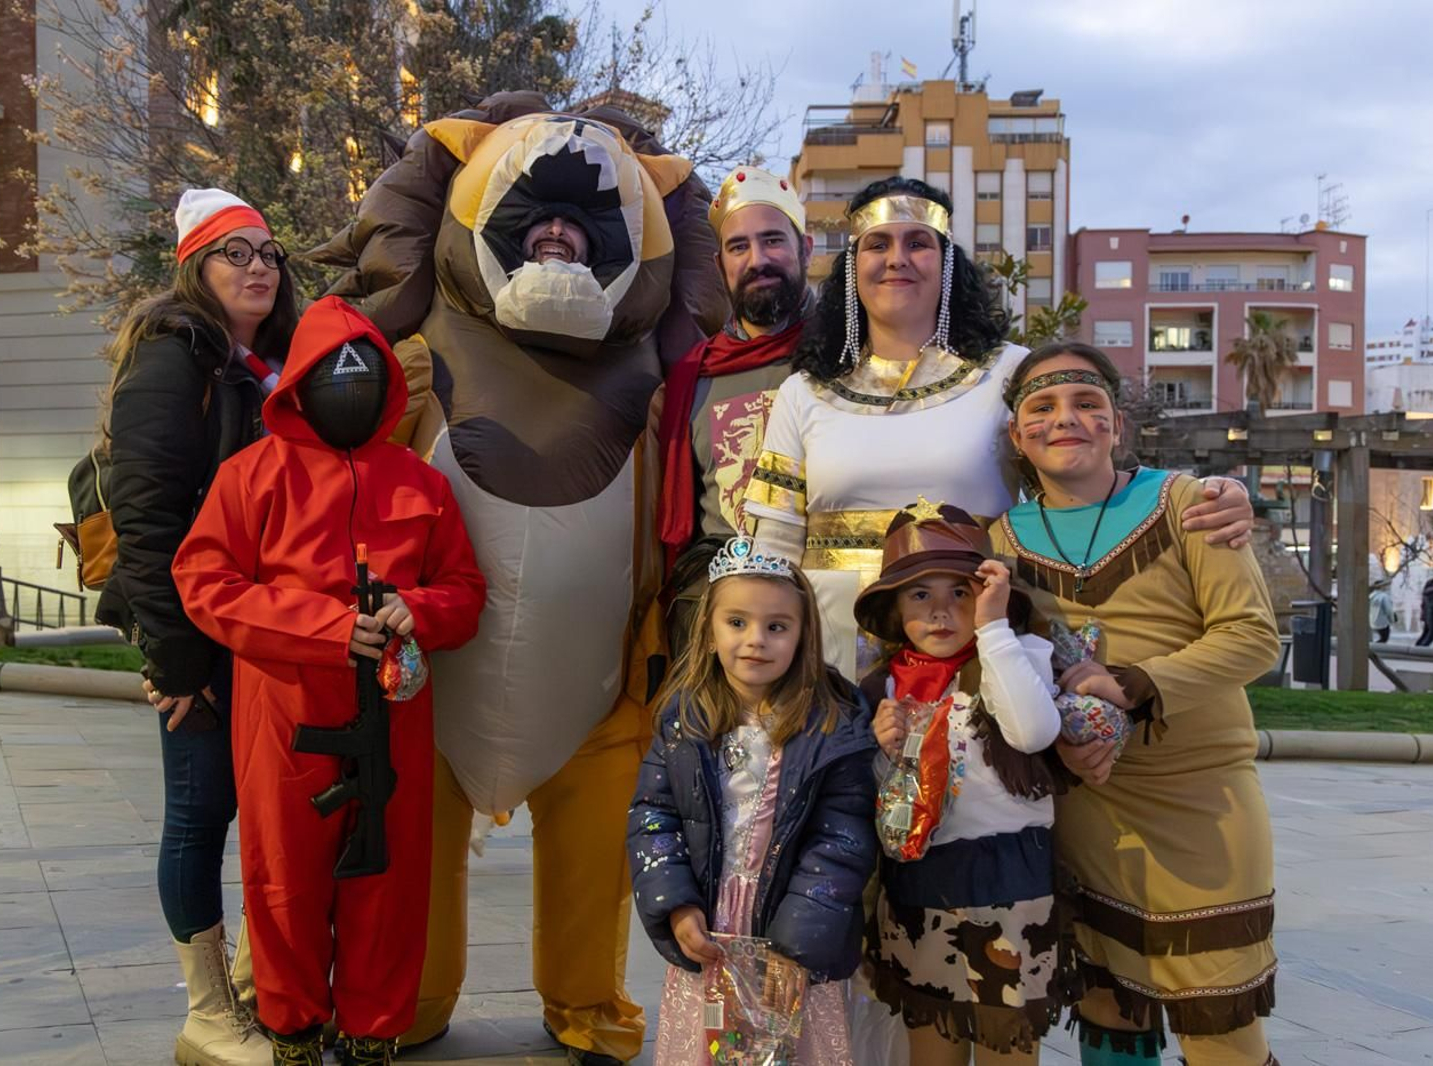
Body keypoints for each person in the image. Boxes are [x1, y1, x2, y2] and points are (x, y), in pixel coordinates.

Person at [314, 97, 728, 1065]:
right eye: (537, 223)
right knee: (414, 830)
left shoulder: (667, 389)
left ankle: (585, 998)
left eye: (581, 229)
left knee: (595, 848)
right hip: (426, 677)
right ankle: (407, 997)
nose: (558, 237)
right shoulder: (410, 361)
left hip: (598, 687)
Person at [743, 177, 1256, 683]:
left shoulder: (1012, 374)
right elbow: (775, 545)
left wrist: (1208, 494)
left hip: (973, 635)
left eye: (918, 243)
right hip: (832, 642)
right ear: (854, 268)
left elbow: (1080, 485)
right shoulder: (804, 392)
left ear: (947, 265)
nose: (897, 258)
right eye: (878, 244)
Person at [174, 296, 486, 1064]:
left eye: (362, 374)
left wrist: (417, 609)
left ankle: (374, 1032)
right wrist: (324, 627)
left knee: (390, 874)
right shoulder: (251, 477)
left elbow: (465, 590)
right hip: (284, 712)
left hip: (395, 712)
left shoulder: (421, 482)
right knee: (285, 875)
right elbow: (206, 583)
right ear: (300, 385)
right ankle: (292, 1030)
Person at [989, 342, 1282, 1066]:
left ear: (1116, 423)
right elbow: (1002, 666)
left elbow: (1251, 637)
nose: (1068, 420)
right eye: (1043, 407)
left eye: (1088, 404)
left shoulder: (1189, 504)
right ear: (1017, 436)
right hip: (1089, 801)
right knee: (1107, 1009)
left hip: (1201, 798)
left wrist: (1133, 684)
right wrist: (1059, 740)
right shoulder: (999, 540)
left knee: (1220, 1019)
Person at [96, 187, 297, 1065]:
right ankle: (210, 1015)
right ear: (194, 269)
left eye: (267, 253)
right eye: (235, 253)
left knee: (268, 810)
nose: (258, 267)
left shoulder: (275, 365)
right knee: (199, 812)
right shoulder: (174, 359)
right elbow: (146, 519)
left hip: (267, 628)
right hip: (200, 635)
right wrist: (175, 663)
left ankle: (257, 992)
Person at [627, 535, 877, 1064]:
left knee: (794, 1046)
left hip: (795, 931)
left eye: (776, 626)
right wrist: (675, 904)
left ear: (803, 634)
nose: (755, 640)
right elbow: (654, 817)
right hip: (712, 925)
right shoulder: (683, 720)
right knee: (712, 1045)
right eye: (736, 622)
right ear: (709, 630)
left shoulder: (833, 724)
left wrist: (796, 943)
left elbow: (842, 838)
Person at [858, 503, 1063, 1064]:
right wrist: (886, 749)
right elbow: (888, 801)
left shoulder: (1016, 658)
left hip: (1009, 883)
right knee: (933, 1041)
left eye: (961, 592)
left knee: (1006, 1043)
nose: (942, 611)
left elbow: (1032, 731)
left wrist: (994, 628)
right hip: (920, 882)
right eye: (920, 595)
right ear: (894, 609)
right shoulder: (883, 686)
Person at [656, 166, 815, 661]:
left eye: (773, 241)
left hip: (823, 608)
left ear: (805, 249)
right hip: (718, 625)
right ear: (720, 263)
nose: (758, 259)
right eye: (739, 247)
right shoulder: (691, 376)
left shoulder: (847, 357)